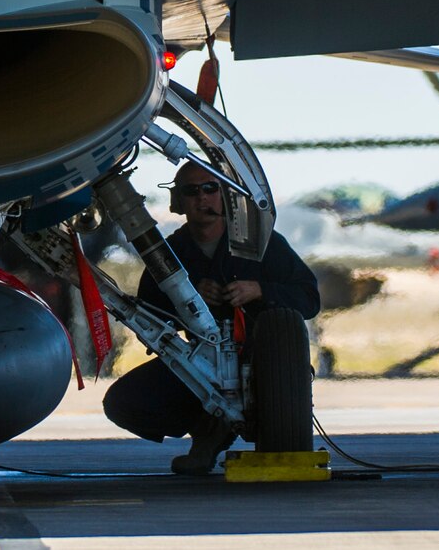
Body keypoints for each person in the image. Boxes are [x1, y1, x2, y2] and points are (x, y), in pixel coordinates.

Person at [103, 161, 321, 475]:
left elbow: (309, 298)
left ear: (225, 197)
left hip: (263, 361)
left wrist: (259, 290)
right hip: (198, 364)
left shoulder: (260, 245)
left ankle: (238, 428)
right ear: (178, 202)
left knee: (280, 400)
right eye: (191, 191)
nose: (202, 198)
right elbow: (148, 318)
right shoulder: (169, 254)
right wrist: (185, 300)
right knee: (124, 403)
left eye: (210, 189)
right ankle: (205, 429)